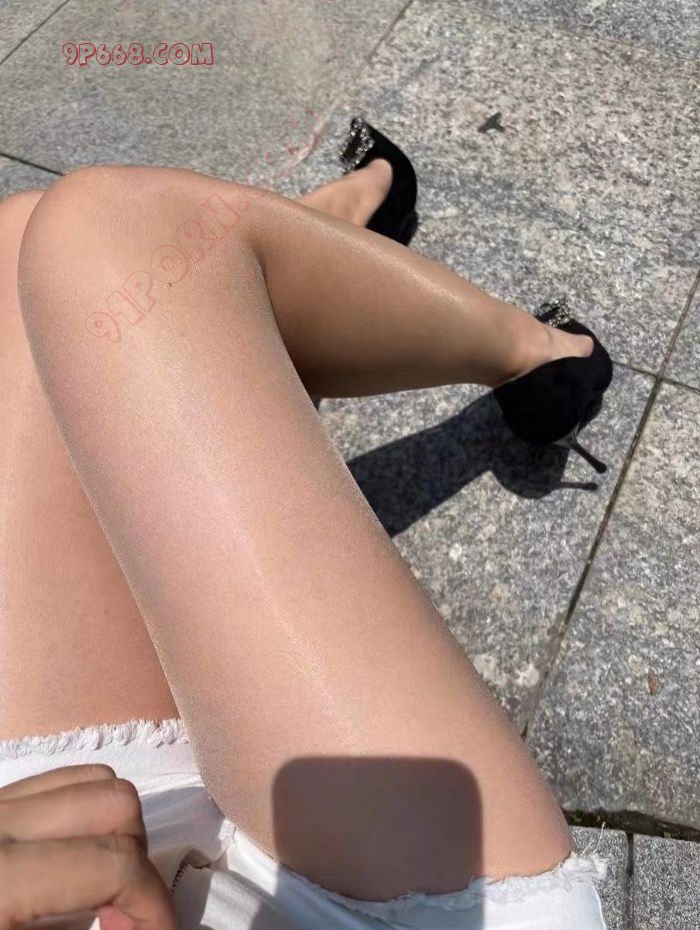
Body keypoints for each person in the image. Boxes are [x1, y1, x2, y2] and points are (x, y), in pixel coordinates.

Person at [0, 117, 611, 929]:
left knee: (20, 256)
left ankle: (293, 276)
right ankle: (536, 355)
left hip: (49, 834)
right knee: (122, 239)